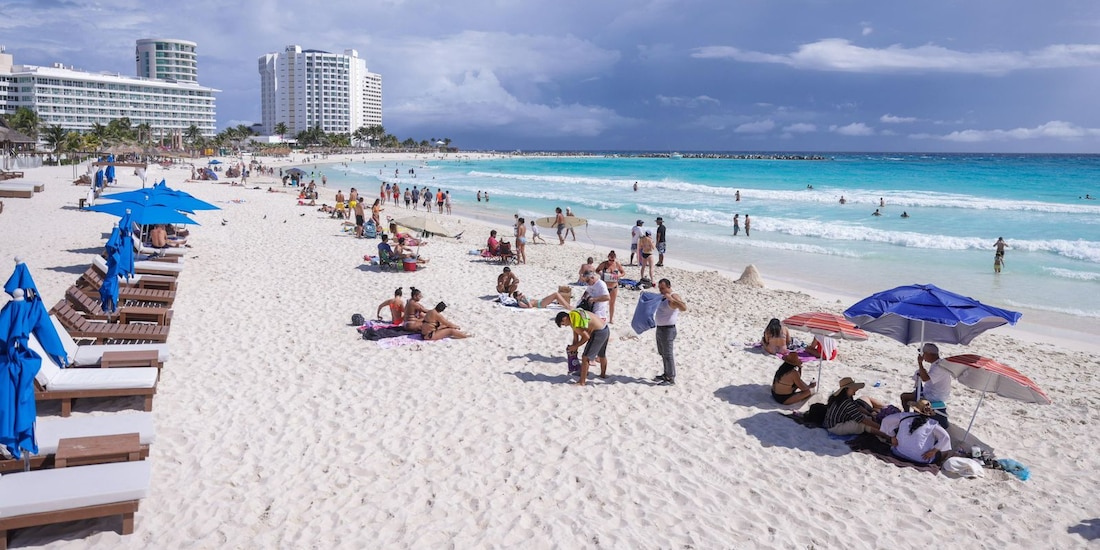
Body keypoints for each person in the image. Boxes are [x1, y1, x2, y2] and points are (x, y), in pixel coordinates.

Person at [879, 399, 952, 464]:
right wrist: (934, 451)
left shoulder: (904, 416)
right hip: (921, 459)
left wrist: (892, 437)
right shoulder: (932, 424)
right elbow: (946, 437)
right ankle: (940, 463)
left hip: (899, 452)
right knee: (945, 450)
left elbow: (886, 420)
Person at [900, 343, 952, 428]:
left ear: (930, 354)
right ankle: (909, 415)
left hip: (934, 396)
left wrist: (920, 364)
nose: (923, 356)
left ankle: (907, 416)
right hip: (933, 392)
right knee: (912, 394)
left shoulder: (939, 367)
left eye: (924, 354)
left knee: (905, 397)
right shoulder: (938, 364)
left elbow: (925, 378)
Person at [555, 309, 610, 386]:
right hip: (605, 329)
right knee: (601, 354)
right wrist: (574, 348)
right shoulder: (573, 316)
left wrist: (575, 346)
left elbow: (586, 337)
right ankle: (603, 375)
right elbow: (576, 337)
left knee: (585, 357)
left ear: (564, 319)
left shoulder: (574, 322)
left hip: (598, 332)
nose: (565, 325)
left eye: (563, 324)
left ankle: (582, 382)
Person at [823, 377, 887, 437]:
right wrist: (880, 427)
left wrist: (869, 414)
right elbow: (861, 420)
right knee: (864, 425)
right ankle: (888, 436)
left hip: (831, 423)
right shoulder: (846, 402)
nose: (855, 391)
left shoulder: (842, 397)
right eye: (853, 388)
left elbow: (857, 406)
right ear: (847, 389)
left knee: (867, 418)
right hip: (835, 427)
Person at [653, 278, 687, 386]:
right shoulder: (662, 296)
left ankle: (671, 378)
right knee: (662, 353)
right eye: (660, 288)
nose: (661, 291)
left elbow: (684, 307)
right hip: (660, 328)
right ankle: (666, 374)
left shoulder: (674, 295)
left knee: (668, 354)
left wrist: (671, 299)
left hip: (668, 330)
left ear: (668, 286)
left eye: (663, 288)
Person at [594, 251, 623, 323]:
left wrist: (618, 276)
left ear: (615, 259)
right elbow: (597, 270)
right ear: (608, 257)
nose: (611, 261)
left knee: (612, 303)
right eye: (610, 260)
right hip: (604, 287)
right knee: (601, 303)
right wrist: (601, 274)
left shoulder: (617, 264)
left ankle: (611, 319)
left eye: (613, 260)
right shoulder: (604, 264)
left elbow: (623, 272)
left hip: (614, 287)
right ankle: (600, 317)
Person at [508, 287, 573, 309]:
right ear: (517, 297)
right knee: (555, 294)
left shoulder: (522, 299)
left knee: (556, 295)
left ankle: (566, 306)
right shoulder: (520, 302)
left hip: (540, 301)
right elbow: (530, 307)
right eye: (520, 294)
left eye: (521, 293)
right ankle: (568, 307)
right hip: (540, 304)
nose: (522, 294)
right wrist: (526, 300)